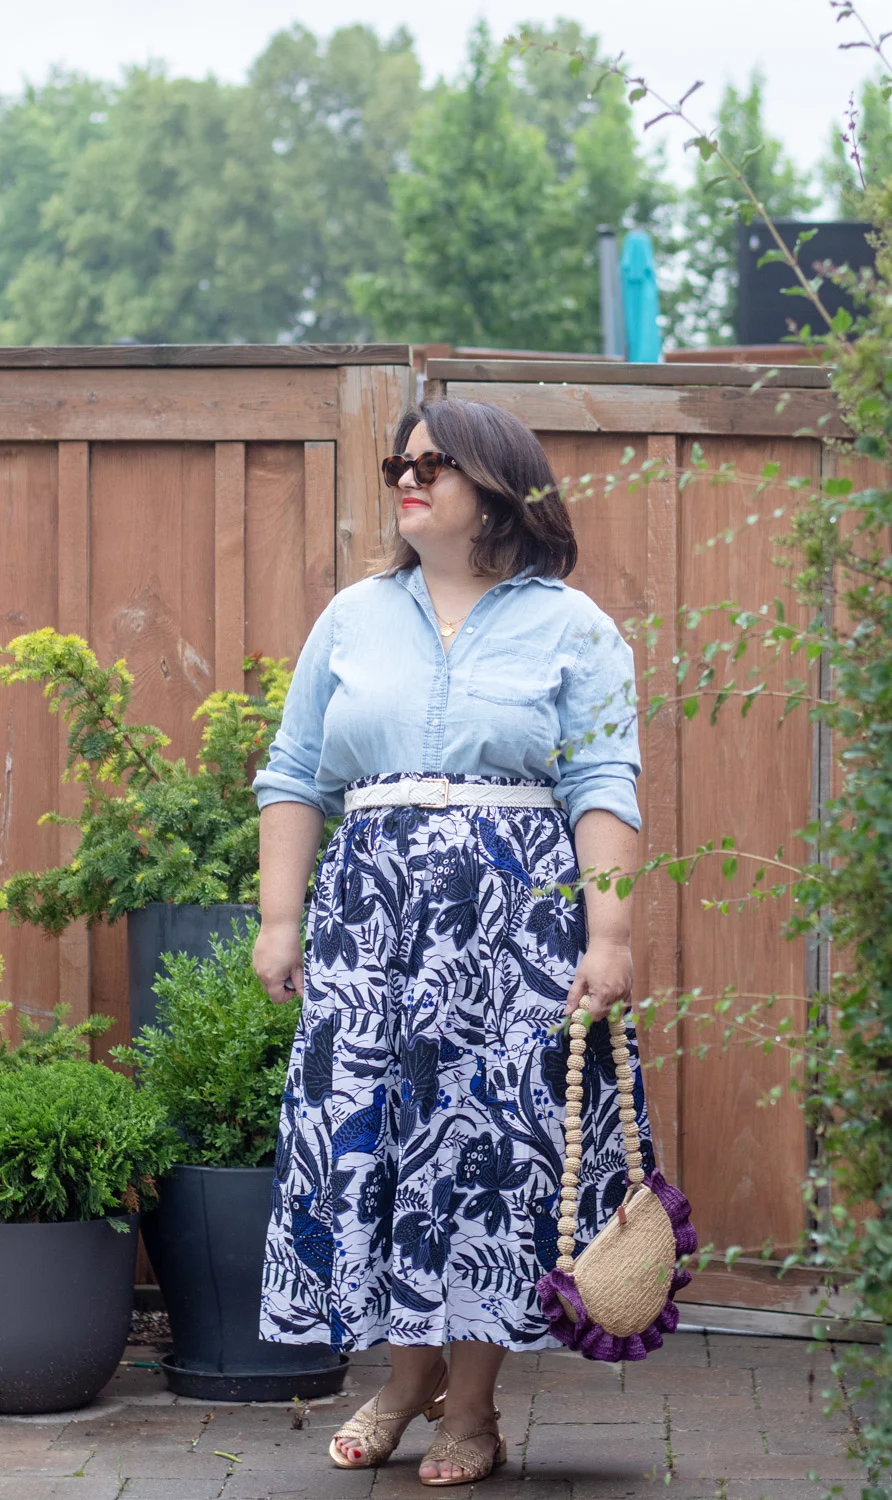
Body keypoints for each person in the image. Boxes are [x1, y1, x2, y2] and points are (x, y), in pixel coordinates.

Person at [251, 397, 655, 1487]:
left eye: (435, 463)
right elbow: (295, 777)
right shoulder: (351, 618)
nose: (408, 477)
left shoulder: (573, 629)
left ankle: (468, 1408)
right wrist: (279, 918)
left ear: (499, 486)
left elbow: (601, 786)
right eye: (401, 461)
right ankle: (401, 1377)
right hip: (367, 927)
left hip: (510, 935)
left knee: (484, 1159)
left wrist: (608, 936)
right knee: (375, 1142)